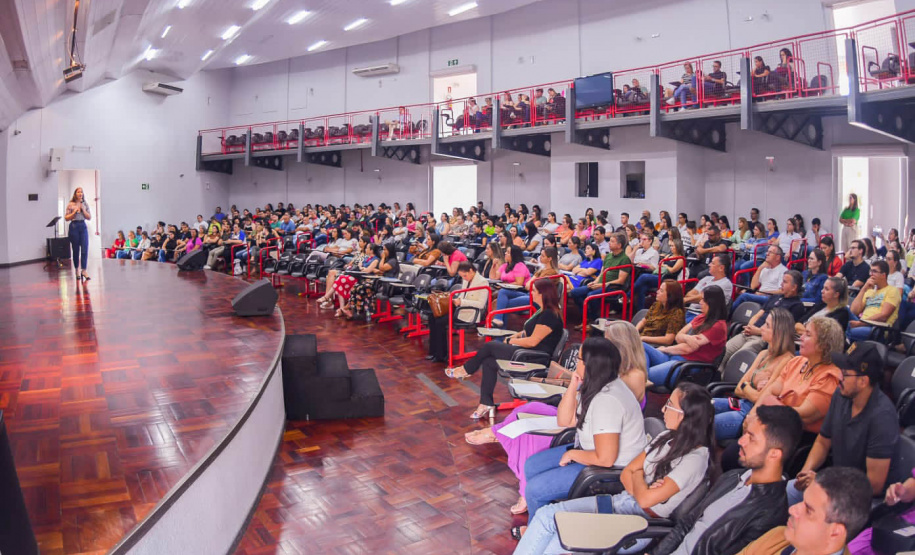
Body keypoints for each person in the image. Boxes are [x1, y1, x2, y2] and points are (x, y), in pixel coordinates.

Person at [513, 383, 715, 554]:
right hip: (620, 502)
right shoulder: (665, 437)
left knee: (558, 542)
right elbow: (629, 473)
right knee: (546, 515)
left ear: (686, 416)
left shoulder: (695, 460)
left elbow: (644, 499)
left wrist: (638, 478)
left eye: (669, 405)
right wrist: (642, 484)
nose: (663, 409)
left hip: (637, 523)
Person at [521, 337, 648, 523]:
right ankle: (546, 520)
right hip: (589, 454)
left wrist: (573, 454)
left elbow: (605, 459)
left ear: (591, 365)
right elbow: (565, 420)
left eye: (579, 360)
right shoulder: (596, 385)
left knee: (534, 490)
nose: (575, 363)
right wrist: (573, 384)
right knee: (531, 465)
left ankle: (541, 531)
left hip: (610, 472)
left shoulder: (608, 400)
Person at [653, 405, 803, 555]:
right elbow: (686, 524)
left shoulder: (769, 515)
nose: (741, 441)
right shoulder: (732, 477)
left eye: (751, 438)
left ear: (774, 454)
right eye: (745, 434)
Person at [785, 342, 898, 506]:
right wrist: (805, 471)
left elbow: (874, 485)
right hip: (835, 482)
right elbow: (823, 441)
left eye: (845, 374)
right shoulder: (841, 395)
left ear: (863, 381)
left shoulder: (882, 417)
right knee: (785, 493)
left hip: (860, 498)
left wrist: (825, 483)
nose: (839, 378)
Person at [446, 279, 565, 419]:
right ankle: (486, 403)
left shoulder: (549, 315)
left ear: (543, 294)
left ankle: (466, 370)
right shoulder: (542, 312)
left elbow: (533, 341)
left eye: (534, 291)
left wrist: (511, 340)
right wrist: (518, 335)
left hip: (534, 356)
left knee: (490, 346)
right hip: (527, 352)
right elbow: (530, 331)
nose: (531, 293)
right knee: (489, 361)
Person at [736, 467, 873, 555]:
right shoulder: (777, 536)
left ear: (835, 532)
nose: (792, 509)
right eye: (802, 501)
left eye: (808, 510)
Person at [744, 317, 845, 437]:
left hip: (796, 437)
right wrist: (752, 416)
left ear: (823, 345)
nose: (800, 338)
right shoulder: (796, 362)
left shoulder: (830, 377)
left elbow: (803, 415)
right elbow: (770, 391)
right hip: (773, 425)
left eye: (807, 335)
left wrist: (769, 404)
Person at [713, 308, 797, 441]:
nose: (761, 327)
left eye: (767, 325)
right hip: (741, 403)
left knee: (703, 424)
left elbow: (760, 398)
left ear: (779, 332)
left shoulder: (787, 360)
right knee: (700, 408)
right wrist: (751, 386)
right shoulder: (763, 354)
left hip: (752, 414)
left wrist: (746, 385)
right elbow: (738, 389)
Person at [644, 285, 729, 387]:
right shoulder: (701, 317)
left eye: (703, 299)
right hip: (675, 355)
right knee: (640, 345)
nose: (700, 302)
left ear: (711, 302)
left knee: (641, 376)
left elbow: (687, 349)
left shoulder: (718, 326)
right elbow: (678, 336)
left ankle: (643, 378)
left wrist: (665, 349)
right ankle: (643, 376)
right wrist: (687, 338)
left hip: (687, 366)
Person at [721, 271, 806, 371]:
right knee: (723, 352)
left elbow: (784, 331)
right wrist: (749, 326)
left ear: (794, 287)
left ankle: (727, 383)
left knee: (735, 358)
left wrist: (757, 331)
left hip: (763, 338)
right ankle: (715, 377)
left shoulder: (797, 306)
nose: (781, 284)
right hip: (749, 332)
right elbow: (758, 314)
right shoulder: (775, 297)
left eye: (785, 282)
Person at [427, 262, 489, 362]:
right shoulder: (466, 279)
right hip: (460, 309)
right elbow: (462, 295)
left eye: (465, 275)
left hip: (470, 312)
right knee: (432, 316)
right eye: (462, 276)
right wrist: (456, 300)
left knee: (440, 322)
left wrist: (461, 302)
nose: (464, 278)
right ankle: (434, 351)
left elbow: (481, 304)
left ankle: (441, 355)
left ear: (471, 271)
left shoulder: (483, 282)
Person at [570, 233, 631, 328]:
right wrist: (595, 282)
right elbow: (602, 273)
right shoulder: (608, 256)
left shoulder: (625, 259)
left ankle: (594, 322)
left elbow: (621, 281)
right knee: (574, 292)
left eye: (612, 241)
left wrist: (602, 285)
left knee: (591, 295)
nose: (609, 243)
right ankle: (589, 317)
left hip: (613, 287)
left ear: (619, 245)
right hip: (600, 284)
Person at [492, 248, 560, 326]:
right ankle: (498, 319)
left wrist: (532, 282)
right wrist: (532, 282)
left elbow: (533, 286)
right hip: (530, 294)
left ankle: (499, 327)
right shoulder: (541, 270)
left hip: (538, 298)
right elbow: (528, 285)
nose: (540, 257)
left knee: (502, 304)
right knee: (503, 291)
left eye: (543, 256)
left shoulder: (552, 273)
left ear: (549, 259)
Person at [847, 260, 902, 342]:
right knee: (843, 310)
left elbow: (883, 316)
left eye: (874, 271)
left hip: (877, 328)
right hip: (862, 323)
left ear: (883, 275)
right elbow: (854, 311)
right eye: (870, 271)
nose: (870, 274)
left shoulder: (892, 291)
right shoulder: (870, 291)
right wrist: (863, 289)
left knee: (844, 332)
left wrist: (860, 323)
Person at [732, 246, 788, 310]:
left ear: (778, 257)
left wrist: (764, 292)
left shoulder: (783, 271)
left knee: (744, 296)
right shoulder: (764, 269)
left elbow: (782, 291)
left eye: (770, 252)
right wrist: (759, 269)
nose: (767, 254)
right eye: (767, 251)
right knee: (742, 295)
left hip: (772, 298)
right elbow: (753, 286)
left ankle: (726, 316)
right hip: (761, 295)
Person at [638, 280, 687, 349]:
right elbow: (644, 321)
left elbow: (668, 340)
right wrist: (635, 331)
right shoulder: (656, 305)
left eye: (661, 291)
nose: (657, 292)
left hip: (654, 346)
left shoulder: (677, 313)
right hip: (643, 339)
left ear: (670, 296)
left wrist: (643, 338)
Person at [683, 253, 733, 320]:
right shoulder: (706, 278)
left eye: (712, 263)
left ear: (721, 268)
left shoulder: (726, 284)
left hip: (704, 317)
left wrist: (685, 300)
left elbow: (706, 298)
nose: (709, 265)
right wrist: (699, 297)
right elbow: (690, 294)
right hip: (690, 311)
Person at [65, 187, 92, 281]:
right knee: (76, 250)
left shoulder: (85, 204)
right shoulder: (70, 204)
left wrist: (83, 210)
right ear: (75, 194)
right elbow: (66, 218)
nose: (80, 193)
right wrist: (74, 212)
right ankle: (77, 269)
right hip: (74, 226)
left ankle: (84, 270)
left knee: (85, 248)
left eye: (82, 192)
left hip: (83, 225)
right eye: (78, 192)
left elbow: (89, 217)